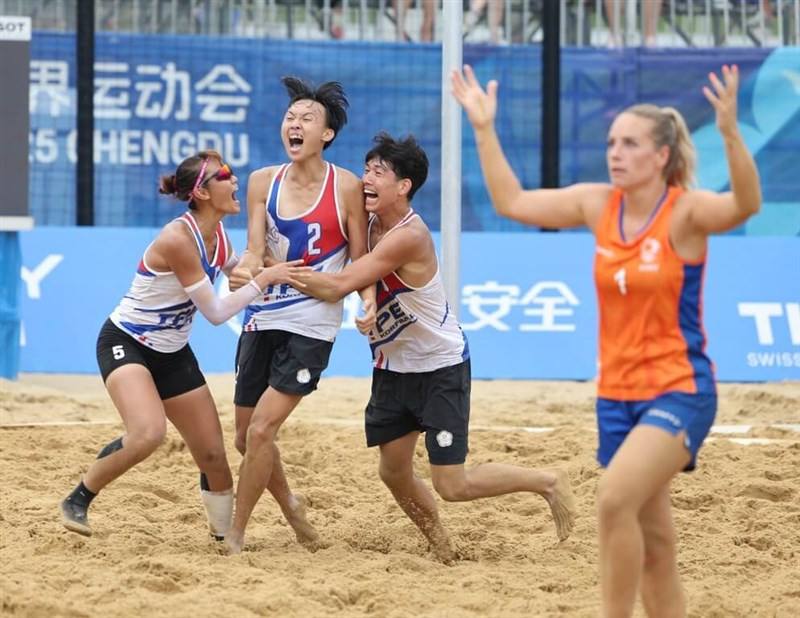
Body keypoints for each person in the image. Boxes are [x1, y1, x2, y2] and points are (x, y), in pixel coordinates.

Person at [451, 64, 761, 614]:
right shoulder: (600, 204)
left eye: (630, 143)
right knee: (656, 546)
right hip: (616, 396)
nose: (615, 152)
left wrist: (731, 133)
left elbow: (744, 206)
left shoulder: (684, 211)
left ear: (661, 156)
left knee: (613, 498)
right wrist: (483, 128)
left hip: (679, 389)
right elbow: (512, 203)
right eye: (611, 141)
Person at [292, 132, 576, 563]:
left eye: (378, 172)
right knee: (392, 471)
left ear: (404, 186)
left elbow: (339, 284)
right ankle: (439, 541)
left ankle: (547, 481)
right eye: (366, 169)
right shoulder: (367, 221)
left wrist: (273, 274)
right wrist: (368, 303)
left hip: (439, 367)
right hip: (392, 367)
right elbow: (360, 269)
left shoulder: (410, 234)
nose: (367, 178)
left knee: (452, 484)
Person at [60, 150, 308, 539]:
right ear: (204, 193)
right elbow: (215, 311)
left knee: (213, 457)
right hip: (128, 341)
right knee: (148, 433)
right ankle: (78, 498)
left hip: (172, 352)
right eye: (225, 175)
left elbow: (241, 274)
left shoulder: (219, 236)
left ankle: (224, 540)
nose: (235, 180)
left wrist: (270, 267)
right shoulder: (179, 238)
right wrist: (268, 277)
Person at [224, 77, 374, 554]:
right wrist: (243, 271)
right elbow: (252, 250)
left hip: (313, 321)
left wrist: (367, 301)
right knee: (247, 439)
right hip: (263, 315)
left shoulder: (345, 186)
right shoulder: (262, 181)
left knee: (265, 428)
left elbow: (361, 256)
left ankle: (236, 532)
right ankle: (292, 505)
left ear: (326, 134)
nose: (295, 124)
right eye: (290, 117)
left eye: (307, 119)